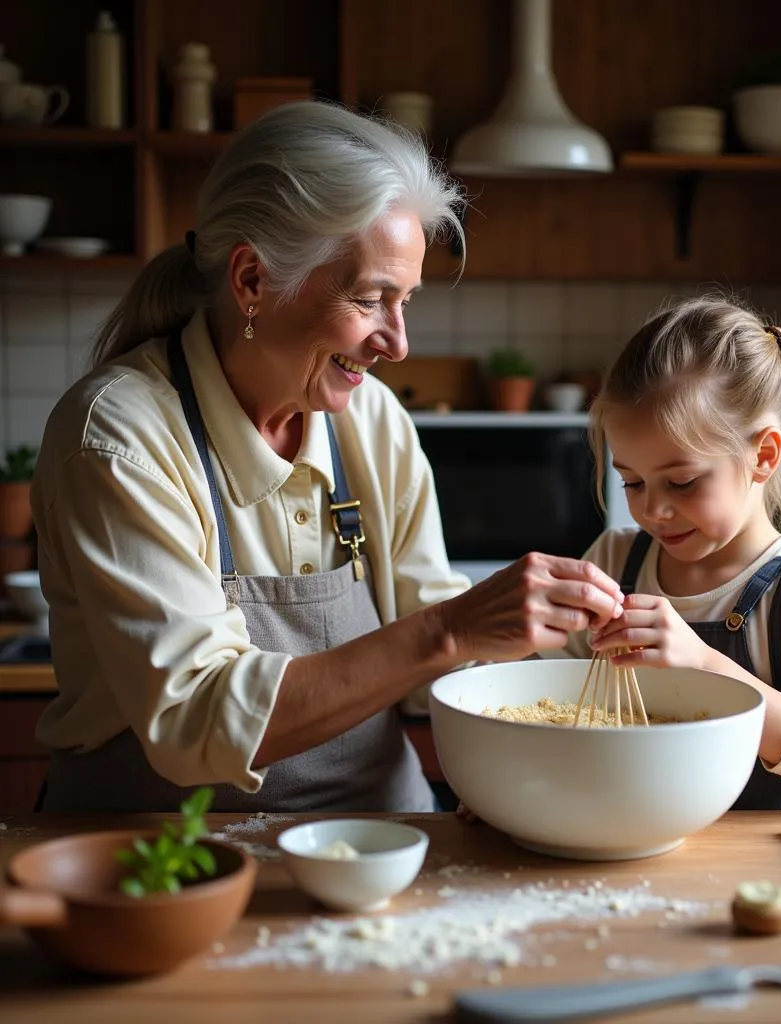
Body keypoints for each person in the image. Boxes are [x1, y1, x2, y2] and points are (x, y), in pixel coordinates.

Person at [30, 101, 624, 814]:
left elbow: (427, 662)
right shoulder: (121, 436)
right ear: (252, 281)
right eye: (372, 299)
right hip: (160, 851)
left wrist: (571, 643)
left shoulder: (370, 418)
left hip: (382, 835)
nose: (398, 344)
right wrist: (451, 627)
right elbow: (193, 720)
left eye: (406, 301)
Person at [576, 295, 781, 810]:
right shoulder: (613, 560)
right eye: (631, 482)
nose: (653, 511)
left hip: (772, 874)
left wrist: (704, 665)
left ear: (762, 456)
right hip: (630, 849)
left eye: (682, 482)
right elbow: (552, 701)